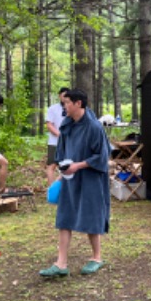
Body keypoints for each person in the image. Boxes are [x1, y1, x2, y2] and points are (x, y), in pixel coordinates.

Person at [40, 88, 111, 278]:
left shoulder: (94, 126)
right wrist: (62, 171)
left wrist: (78, 166)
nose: (64, 107)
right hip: (70, 178)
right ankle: (60, 263)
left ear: (78, 104)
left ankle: (96, 257)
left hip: (91, 177)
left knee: (91, 214)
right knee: (64, 216)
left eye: (67, 103)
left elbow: (102, 157)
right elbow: (61, 150)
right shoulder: (67, 124)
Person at [45, 87, 70, 186]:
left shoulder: (72, 108)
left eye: (67, 96)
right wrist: (59, 134)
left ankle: (64, 187)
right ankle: (51, 188)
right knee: (52, 165)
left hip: (69, 142)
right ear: (59, 96)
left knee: (68, 164)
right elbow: (49, 124)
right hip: (54, 142)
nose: (65, 98)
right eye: (63, 96)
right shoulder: (53, 108)